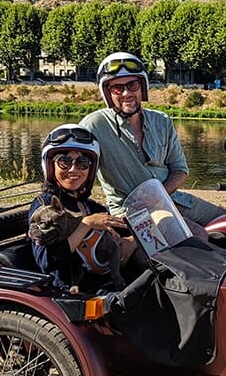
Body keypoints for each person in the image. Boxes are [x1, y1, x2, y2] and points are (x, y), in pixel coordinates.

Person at [79, 51, 226, 236]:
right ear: (107, 92)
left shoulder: (161, 121)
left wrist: (158, 195)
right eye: (118, 88)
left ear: (142, 87)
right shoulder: (93, 126)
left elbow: (180, 170)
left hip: (174, 199)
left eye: (132, 85)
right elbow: (75, 168)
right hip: (130, 211)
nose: (127, 93)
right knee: (196, 234)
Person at [29, 124, 142, 294]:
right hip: (71, 292)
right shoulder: (44, 206)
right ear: (51, 166)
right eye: (64, 162)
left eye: (82, 163)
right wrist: (86, 224)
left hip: (104, 281)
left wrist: (135, 238)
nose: (73, 169)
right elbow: (46, 261)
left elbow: (124, 228)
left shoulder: (89, 205)